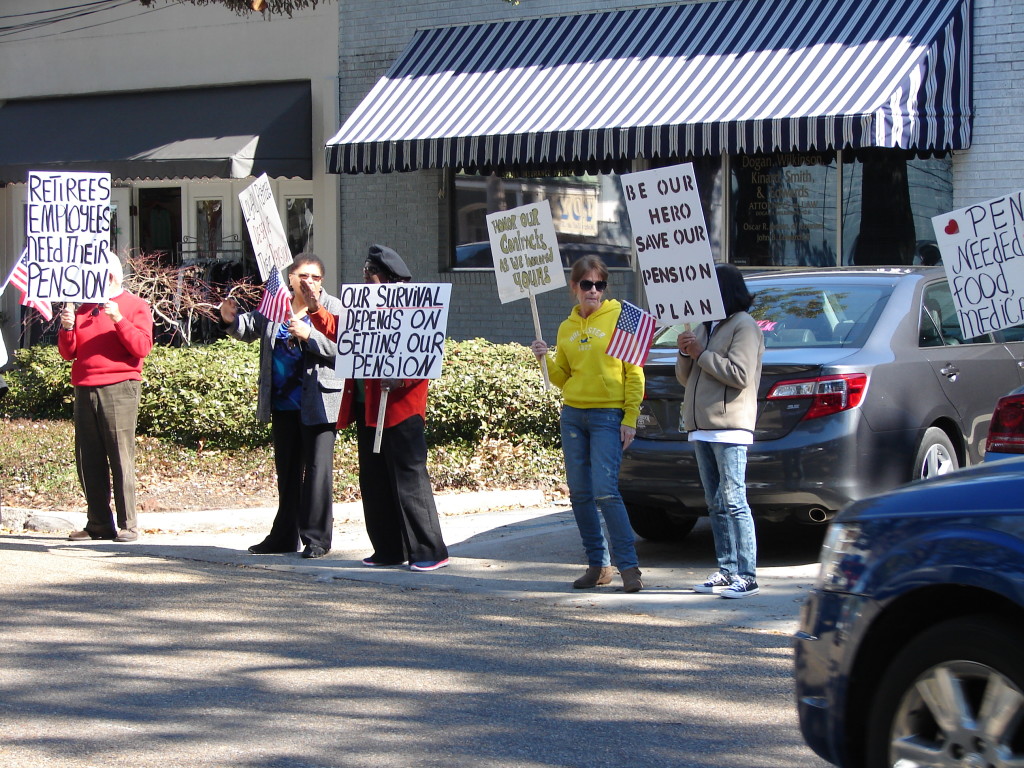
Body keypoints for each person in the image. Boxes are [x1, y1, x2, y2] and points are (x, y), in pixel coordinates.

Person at [302, 244, 450, 571]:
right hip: (368, 410)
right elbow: (341, 334)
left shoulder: (414, 310)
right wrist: (315, 308)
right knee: (374, 481)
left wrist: (401, 379)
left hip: (401, 410)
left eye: (368, 274)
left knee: (409, 482)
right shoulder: (363, 309)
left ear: (382, 277)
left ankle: (429, 550)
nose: (364, 280)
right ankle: (388, 548)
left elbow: (424, 355)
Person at [530, 255, 645, 593]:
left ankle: (629, 567)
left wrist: (630, 418)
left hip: (608, 416)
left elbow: (635, 373)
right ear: (574, 288)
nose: (593, 291)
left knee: (606, 491)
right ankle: (598, 566)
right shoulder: (566, 327)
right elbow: (563, 378)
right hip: (574, 414)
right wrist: (544, 359)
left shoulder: (622, 318)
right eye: (586, 284)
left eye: (599, 285)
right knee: (580, 494)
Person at [221, 254, 343, 559]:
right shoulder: (277, 303)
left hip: (319, 401)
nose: (310, 282)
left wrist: (311, 336)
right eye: (303, 276)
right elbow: (248, 328)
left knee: (317, 472)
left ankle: (316, 538)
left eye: (316, 277)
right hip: (283, 402)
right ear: (290, 278)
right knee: (287, 472)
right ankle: (284, 536)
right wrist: (228, 319)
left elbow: (346, 351)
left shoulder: (336, 307)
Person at [677, 263, 765, 598]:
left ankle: (747, 573)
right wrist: (686, 353)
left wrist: (701, 353)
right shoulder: (705, 326)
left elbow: (739, 375)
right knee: (715, 503)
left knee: (734, 500)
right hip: (702, 427)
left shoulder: (744, 326)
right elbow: (688, 378)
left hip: (729, 427)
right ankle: (727, 569)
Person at [59, 256, 154, 543]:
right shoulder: (84, 307)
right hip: (85, 386)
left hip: (120, 386)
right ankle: (98, 523)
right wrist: (67, 327)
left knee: (119, 455)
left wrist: (118, 319)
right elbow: (68, 352)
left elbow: (141, 347)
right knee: (88, 457)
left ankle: (128, 525)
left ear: (111, 277)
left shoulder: (135, 306)